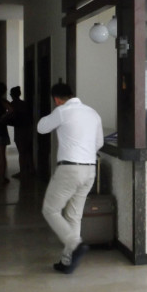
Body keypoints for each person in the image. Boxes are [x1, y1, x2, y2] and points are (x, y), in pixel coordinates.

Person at [38, 83, 103, 274]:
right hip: (90, 169)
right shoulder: (93, 113)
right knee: (74, 216)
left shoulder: (62, 111)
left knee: (50, 210)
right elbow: (99, 142)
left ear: (56, 99)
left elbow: (41, 128)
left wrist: (55, 113)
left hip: (69, 169)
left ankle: (74, 243)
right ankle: (67, 261)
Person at [8, 86, 35, 179]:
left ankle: (22, 171)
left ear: (12, 95)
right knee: (28, 150)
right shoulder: (25, 104)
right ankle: (31, 169)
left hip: (19, 129)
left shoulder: (12, 105)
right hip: (28, 128)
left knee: (21, 151)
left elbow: (11, 117)